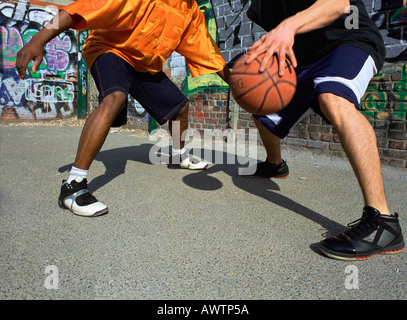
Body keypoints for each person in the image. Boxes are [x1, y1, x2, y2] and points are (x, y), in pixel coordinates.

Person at [16, 0, 231, 217]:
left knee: (180, 108)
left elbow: (207, 51)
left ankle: (178, 156)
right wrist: (38, 39)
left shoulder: (191, 10)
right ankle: (73, 186)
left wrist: (235, 83)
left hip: (144, 65)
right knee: (115, 97)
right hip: (111, 51)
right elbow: (81, 9)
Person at [243, 0, 405, 260]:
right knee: (263, 113)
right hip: (305, 62)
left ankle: (383, 222)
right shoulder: (259, 5)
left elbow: (339, 4)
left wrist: (288, 26)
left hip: (350, 42)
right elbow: (280, 35)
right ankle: (275, 165)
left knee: (333, 97)